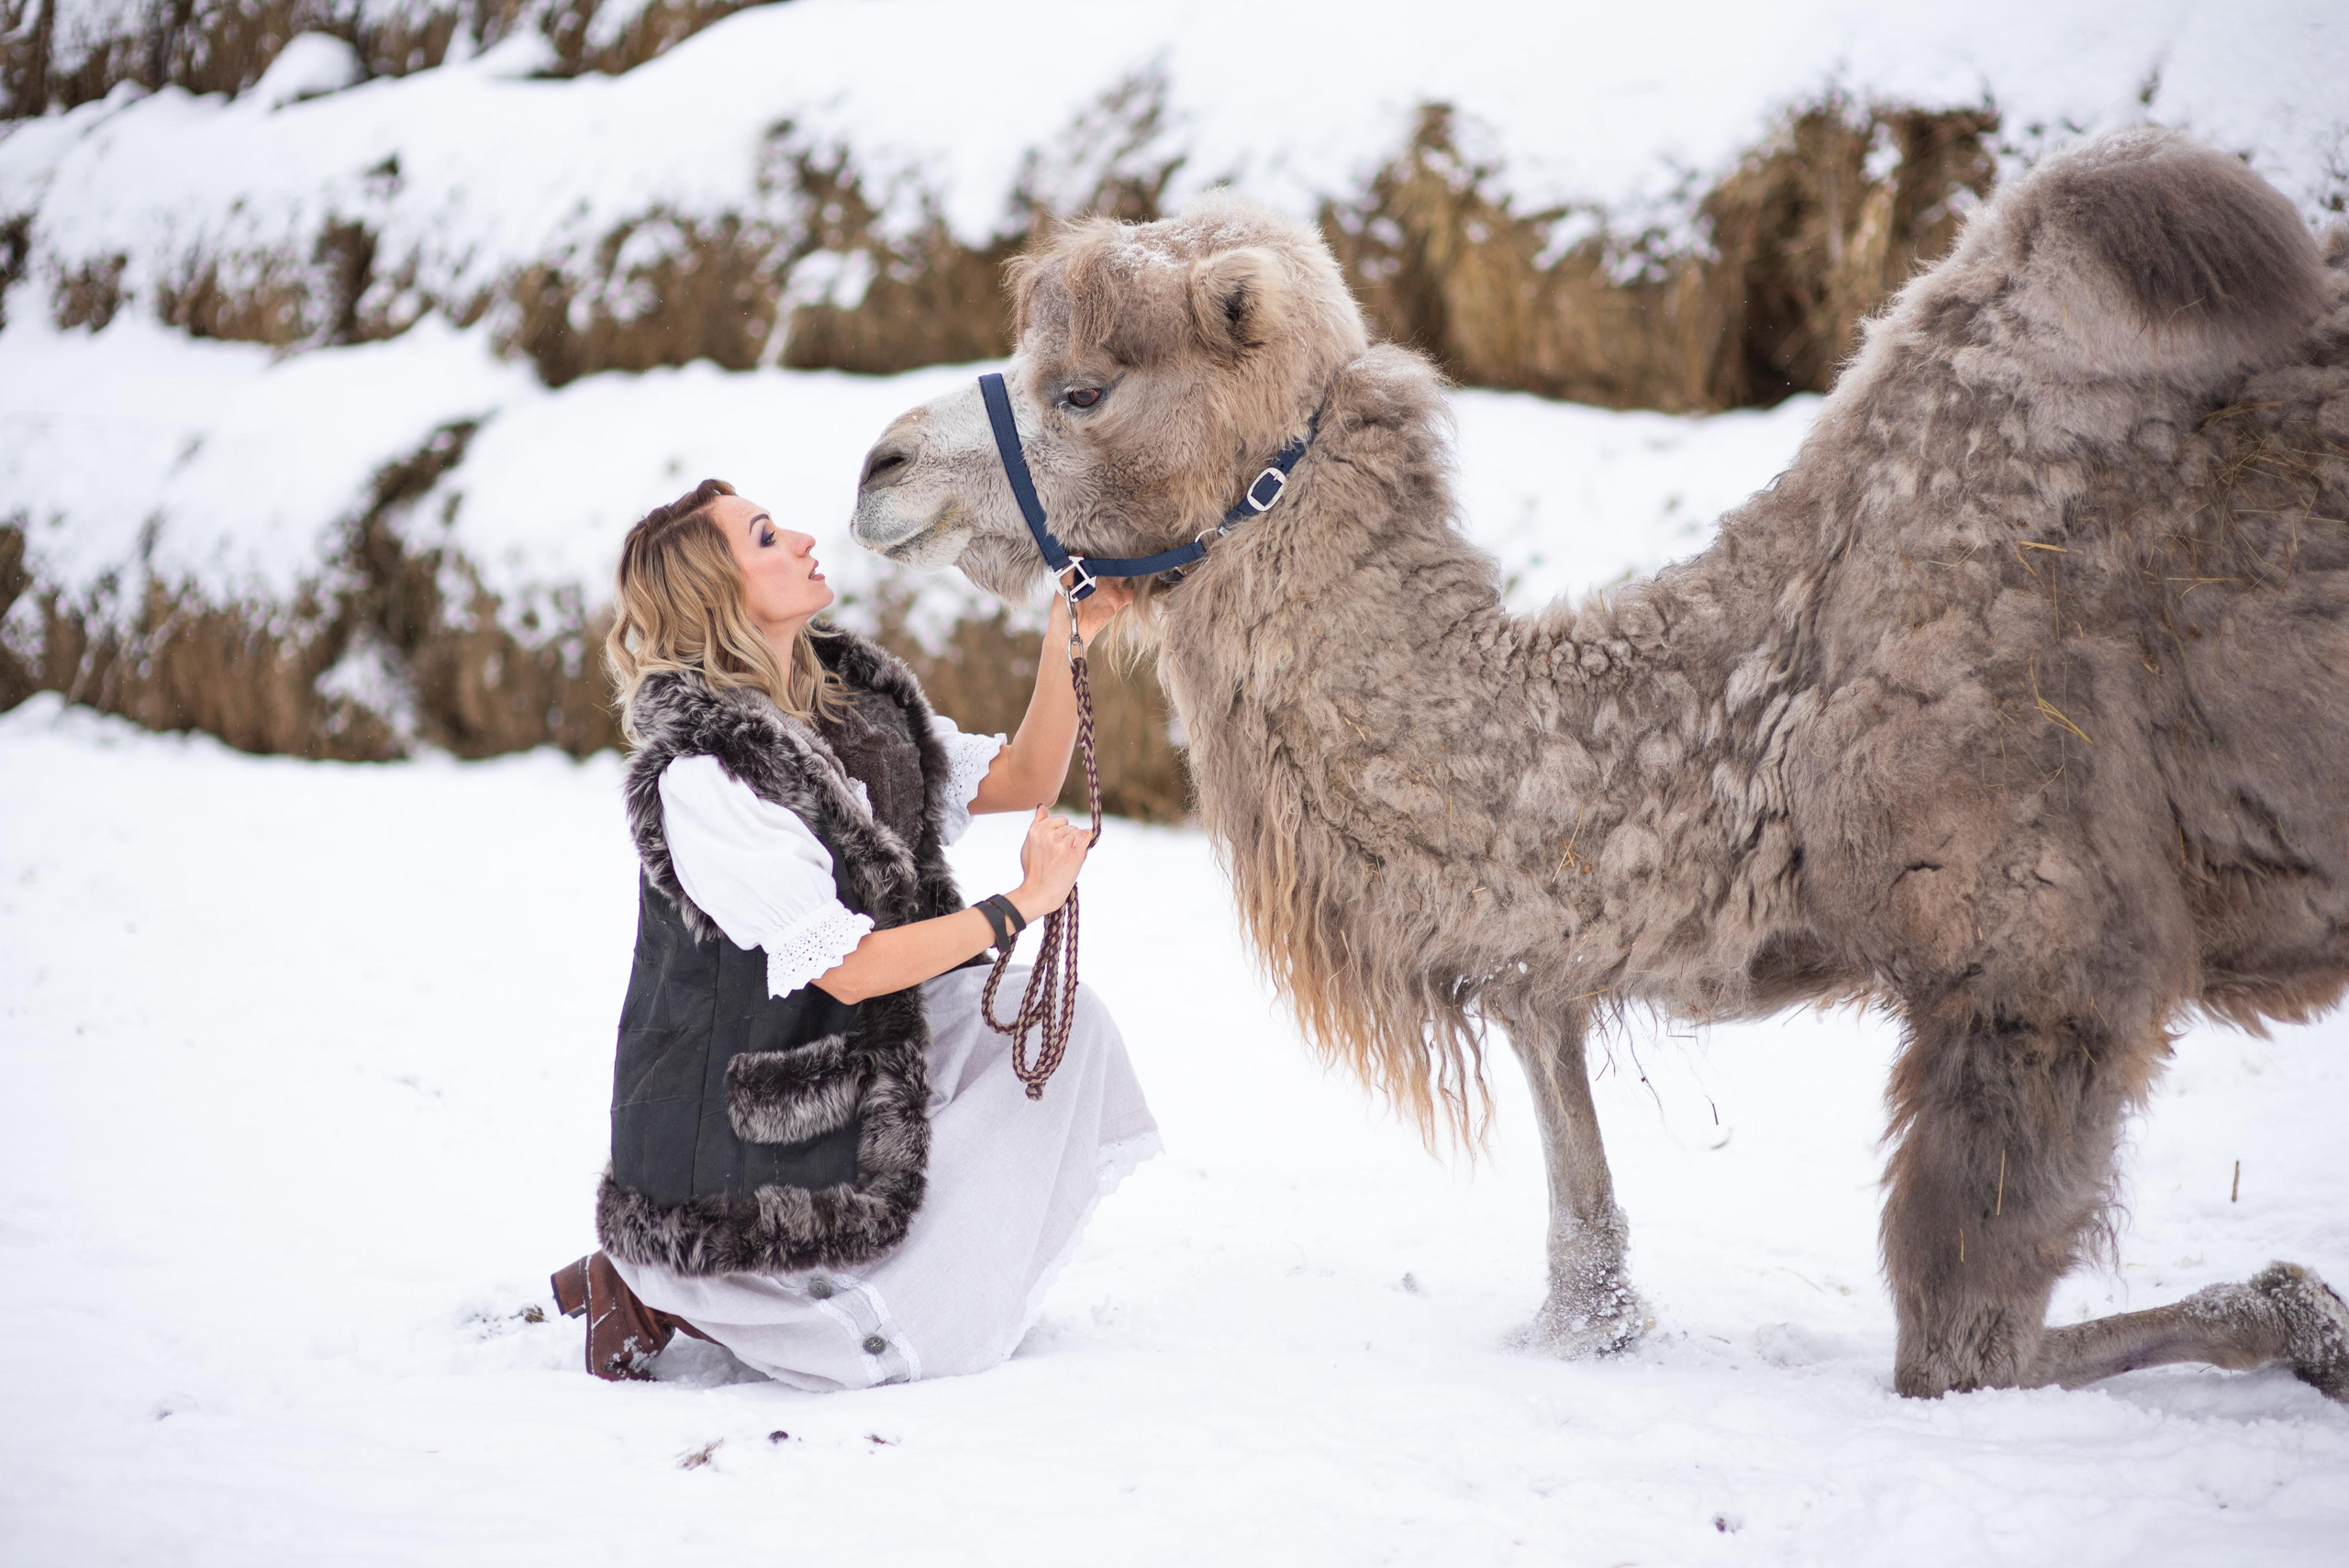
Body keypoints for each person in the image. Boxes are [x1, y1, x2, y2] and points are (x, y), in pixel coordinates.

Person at [549, 478, 1159, 1388]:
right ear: (717, 591)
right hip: (743, 1098)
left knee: (1054, 1016)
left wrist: (1072, 632)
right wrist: (1016, 904)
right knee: (845, 1344)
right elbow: (849, 968)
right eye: (763, 537)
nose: (799, 537)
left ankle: (917, 1278)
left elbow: (1028, 773)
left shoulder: (855, 705)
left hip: (852, 1036)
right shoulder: (705, 774)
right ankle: (656, 1286)